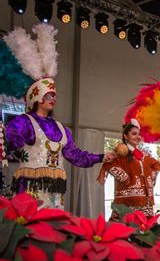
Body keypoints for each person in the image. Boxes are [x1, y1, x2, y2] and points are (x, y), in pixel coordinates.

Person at [3, 24, 114, 209]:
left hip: (55, 191)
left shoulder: (61, 129)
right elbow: (8, 144)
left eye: (54, 95)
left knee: (52, 227)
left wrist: (102, 156)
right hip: (28, 188)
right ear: (36, 97)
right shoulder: (23, 122)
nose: (52, 99)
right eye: (48, 95)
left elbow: (76, 156)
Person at [97, 119, 160, 220]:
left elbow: (157, 165)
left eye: (139, 134)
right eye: (134, 134)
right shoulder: (118, 154)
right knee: (124, 231)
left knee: (144, 233)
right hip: (127, 203)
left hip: (145, 203)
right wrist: (125, 178)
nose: (138, 137)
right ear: (125, 136)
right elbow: (108, 164)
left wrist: (149, 181)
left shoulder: (143, 156)